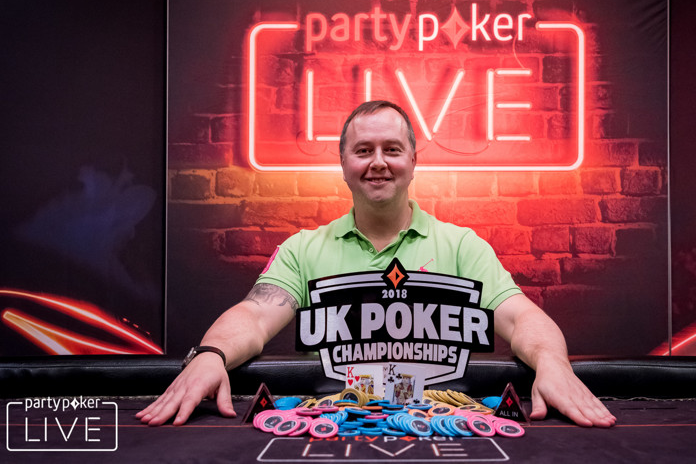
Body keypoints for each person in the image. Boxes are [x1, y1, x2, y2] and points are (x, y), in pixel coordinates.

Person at [137, 101, 616, 428]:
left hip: (439, 423)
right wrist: (211, 354)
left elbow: (521, 317)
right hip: (338, 423)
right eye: (363, 150)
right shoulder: (304, 249)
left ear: (413, 160)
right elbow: (255, 314)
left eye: (392, 149)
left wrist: (552, 363)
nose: (378, 162)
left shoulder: (462, 246)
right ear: (343, 163)